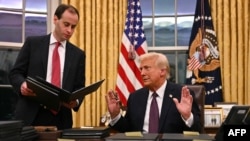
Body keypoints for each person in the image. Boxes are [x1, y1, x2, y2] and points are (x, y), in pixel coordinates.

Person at [9, 4, 85, 130]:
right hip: (31, 114)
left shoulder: (78, 55)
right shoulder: (33, 44)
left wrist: (75, 101)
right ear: (55, 19)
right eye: (66, 25)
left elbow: (79, 86)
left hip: (61, 119)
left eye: (73, 27)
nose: (69, 30)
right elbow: (15, 73)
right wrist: (22, 85)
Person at [106, 52, 202, 133]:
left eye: (147, 68)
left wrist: (187, 116)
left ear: (162, 71)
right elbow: (128, 130)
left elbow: (198, 130)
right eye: (141, 69)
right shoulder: (135, 97)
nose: (142, 73)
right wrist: (115, 115)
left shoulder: (181, 95)